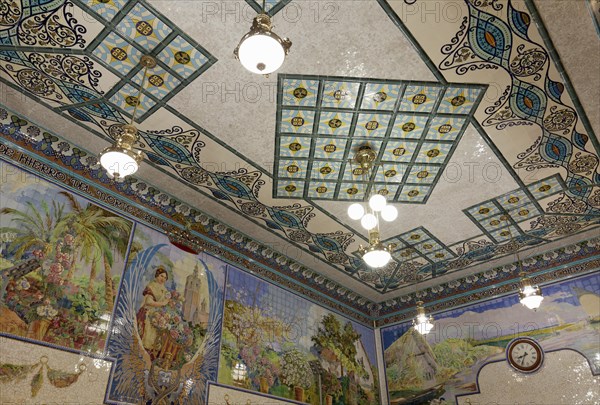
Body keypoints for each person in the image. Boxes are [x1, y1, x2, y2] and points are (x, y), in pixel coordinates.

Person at [136, 266, 170, 357]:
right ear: (157, 275)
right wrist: (162, 303)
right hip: (148, 313)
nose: (163, 279)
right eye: (161, 276)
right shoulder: (151, 286)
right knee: (147, 337)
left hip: (158, 316)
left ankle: (151, 357)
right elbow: (148, 302)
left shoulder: (166, 290)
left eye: (165, 277)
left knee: (156, 339)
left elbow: (167, 304)